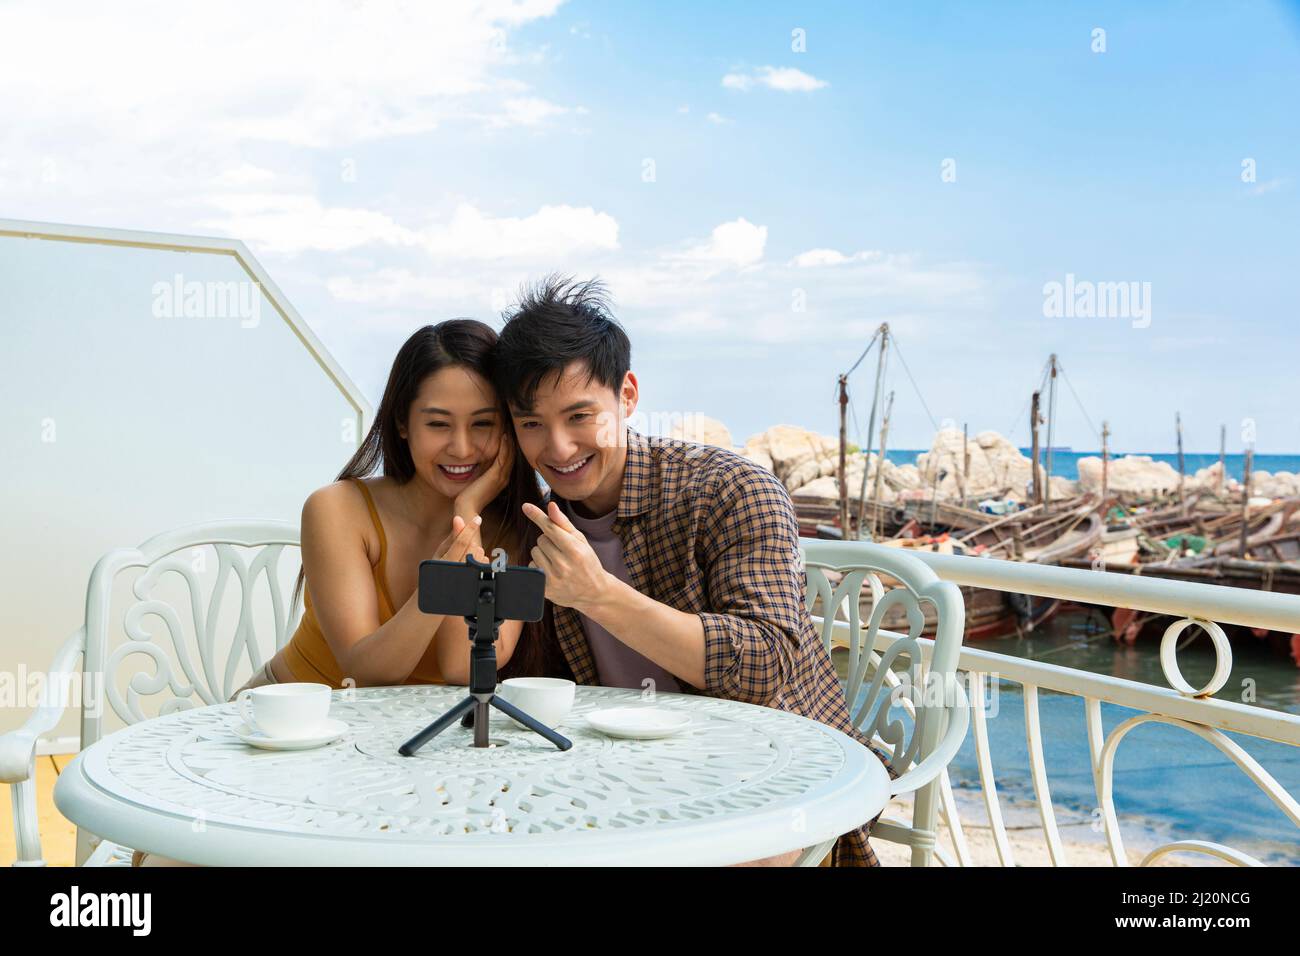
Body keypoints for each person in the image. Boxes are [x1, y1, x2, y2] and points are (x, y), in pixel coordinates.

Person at [492, 276, 898, 867]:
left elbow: (763, 663)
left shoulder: (728, 489)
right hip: (620, 782)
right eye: (530, 424)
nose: (558, 448)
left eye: (581, 416)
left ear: (626, 395)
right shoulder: (534, 523)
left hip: (776, 774)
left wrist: (599, 595)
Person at [131, 319, 548, 866]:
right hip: (288, 732)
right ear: (402, 423)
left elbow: (454, 668)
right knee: (175, 858)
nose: (462, 447)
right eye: (438, 424)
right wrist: (452, 557)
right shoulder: (337, 508)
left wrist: (465, 519)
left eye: (484, 424)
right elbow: (367, 669)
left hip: (410, 759)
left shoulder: (513, 528)